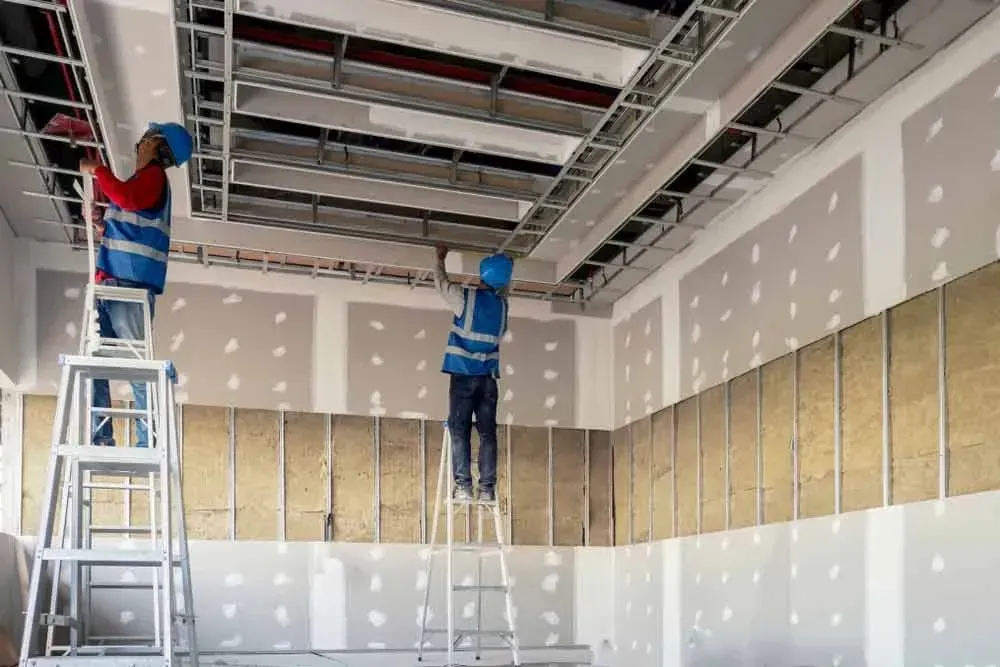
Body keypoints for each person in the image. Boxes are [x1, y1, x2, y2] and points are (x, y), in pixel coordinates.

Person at [78, 122, 194, 448]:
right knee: (98, 365)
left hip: (129, 288)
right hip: (116, 285)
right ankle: (101, 437)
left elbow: (126, 198)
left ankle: (148, 443)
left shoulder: (153, 177)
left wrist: (99, 170)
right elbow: (129, 226)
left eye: (145, 139)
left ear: (155, 145)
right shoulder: (146, 182)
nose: (139, 145)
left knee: (135, 369)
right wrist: (103, 224)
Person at [434, 244, 513, 503]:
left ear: (482, 274)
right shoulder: (503, 307)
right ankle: (487, 489)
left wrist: (440, 258)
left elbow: (441, 285)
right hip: (488, 380)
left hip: (463, 377)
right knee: (488, 433)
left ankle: (463, 487)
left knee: (460, 430)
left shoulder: (465, 299)